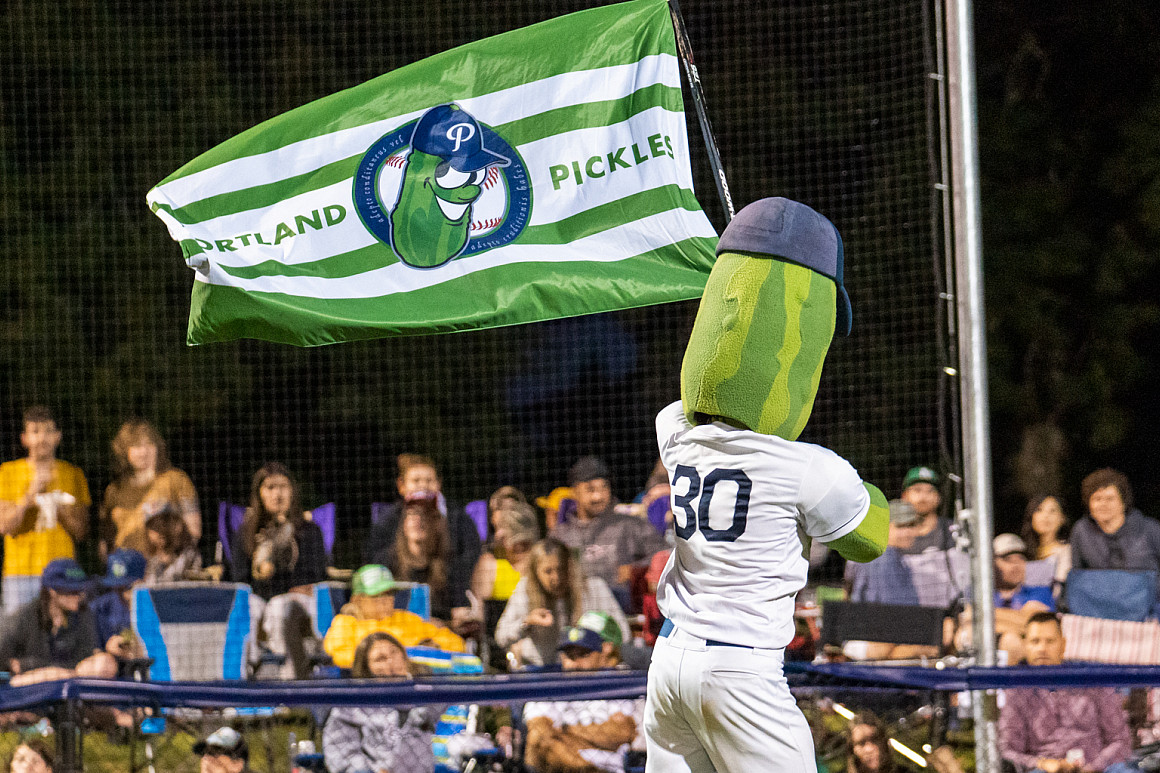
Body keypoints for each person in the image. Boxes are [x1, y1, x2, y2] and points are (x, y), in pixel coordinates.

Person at [645, 198, 889, 773]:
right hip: (740, 672)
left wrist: (740, 299)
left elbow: (689, 406)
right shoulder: (807, 468)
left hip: (670, 662)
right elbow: (870, 538)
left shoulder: (674, 431)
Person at [1000, 612, 1138, 773]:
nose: (1042, 649)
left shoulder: (1092, 680)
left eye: (1050, 641)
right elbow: (1008, 750)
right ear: (1025, 646)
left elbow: (1120, 740)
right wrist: (1042, 763)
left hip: (1098, 766)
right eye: (1035, 641)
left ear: (1063, 644)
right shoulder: (1017, 692)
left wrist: (1093, 767)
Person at [229, 463, 328, 679]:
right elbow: (240, 580)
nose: (277, 494)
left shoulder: (309, 531)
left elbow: (315, 574)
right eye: (270, 487)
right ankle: (245, 675)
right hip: (260, 596)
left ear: (292, 490)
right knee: (248, 608)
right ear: (259, 494)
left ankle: (290, 676)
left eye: (283, 486)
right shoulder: (246, 533)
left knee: (277, 607)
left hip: (297, 601)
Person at [365, 454, 481, 635]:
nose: (423, 486)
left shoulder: (459, 521)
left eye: (429, 480)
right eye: (416, 480)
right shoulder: (387, 527)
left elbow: (468, 562)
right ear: (401, 485)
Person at [524, 611, 644, 772]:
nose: (573, 664)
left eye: (582, 654)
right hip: (560, 765)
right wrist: (586, 737)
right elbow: (539, 735)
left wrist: (563, 732)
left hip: (611, 767)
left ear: (606, 649)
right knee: (542, 744)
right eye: (568, 655)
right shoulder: (552, 686)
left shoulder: (622, 682)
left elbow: (620, 732)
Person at [0, 406, 91, 614]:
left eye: (49, 431)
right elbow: (4, 526)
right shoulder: (7, 472)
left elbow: (82, 532)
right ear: (24, 438)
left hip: (63, 571)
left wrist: (57, 503)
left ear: (58, 436)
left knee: (63, 637)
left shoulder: (73, 474)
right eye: (35, 431)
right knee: (17, 638)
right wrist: (29, 496)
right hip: (20, 574)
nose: (42, 438)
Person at [552, 456, 666, 612]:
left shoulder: (630, 525)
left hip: (624, 612)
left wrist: (635, 570)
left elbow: (664, 555)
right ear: (575, 491)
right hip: (576, 611)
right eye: (590, 489)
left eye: (604, 487)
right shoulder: (561, 535)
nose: (598, 496)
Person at [495, 537, 629, 668]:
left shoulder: (594, 588)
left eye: (561, 569)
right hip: (538, 672)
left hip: (585, 672)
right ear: (535, 572)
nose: (556, 578)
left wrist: (596, 638)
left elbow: (624, 635)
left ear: (570, 567)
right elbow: (501, 637)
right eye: (548, 571)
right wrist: (526, 623)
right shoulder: (524, 591)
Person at [323, 632, 438, 773]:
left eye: (394, 652)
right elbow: (340, 752)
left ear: (403, 655)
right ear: (367, 669)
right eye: (380, 659)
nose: (391, 661)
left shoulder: (430, 694)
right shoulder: (352, 706)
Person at [322, 565, 465, 669]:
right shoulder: (346, 623)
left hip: (416, 684)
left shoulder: (407, 619)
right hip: (371, 688)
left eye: (389, 593)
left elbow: (456, 644)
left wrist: (433, 647)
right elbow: (338, 656)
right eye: (376, 594)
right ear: (356, 600)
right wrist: (382, 659)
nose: (385, 599)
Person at [0, 558, 116, 683]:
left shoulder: (84, 614)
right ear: (52, 591)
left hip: (70, 689)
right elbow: (5, 663)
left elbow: (83, 663)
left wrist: (27, 665)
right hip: (25, 692)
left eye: (80, 590)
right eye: (72, 591)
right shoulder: (25, 618)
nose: (78, 596)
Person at [98, 419, 200, 559]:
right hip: (125, 568)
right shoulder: (114, 490)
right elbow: (105, 542)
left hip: (164, 567)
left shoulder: (175, 480)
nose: (143, 452)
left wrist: (173, 561)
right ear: (124, 450)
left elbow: (194, 530)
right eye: (136, 446)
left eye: (149, 444)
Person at [955, 534, 1054, 662]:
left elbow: (1035, 626)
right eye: (1008, 560)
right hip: (983, 651)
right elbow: (965, 623)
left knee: (1010, 640)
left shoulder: (1039, 591)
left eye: (1021, 559)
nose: (1016, 565)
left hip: (1025, 658)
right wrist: (1017, 619)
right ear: (991, 563)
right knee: (966, 634)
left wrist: (980, 615)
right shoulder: (978, 592)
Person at [1068, 468, 1160, 599]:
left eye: (1110, 498)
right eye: (1097, 499)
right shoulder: (1081, 530)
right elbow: (1077, 575)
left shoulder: (1150, 528)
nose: (1103, 504)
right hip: (1102, 606)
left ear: (1123, 503)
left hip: (1149, 605)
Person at [383, 492, 460, 625]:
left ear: (435, 524)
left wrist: (444, 624)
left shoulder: (450, 567)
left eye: (424, 515)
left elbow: (456, 614)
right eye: (412, 514)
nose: (418, 520)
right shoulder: (387, 563)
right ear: (404, 524)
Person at [471, 501, 540, 605]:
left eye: (499, 528)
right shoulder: (489, 565)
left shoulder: (540, 561)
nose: (497, 535)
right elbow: (480, 609)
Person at [88, 548, 148, 658]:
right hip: (114, 671)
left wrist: (135, 652)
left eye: (129, 587)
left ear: (145, 580)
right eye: (118, 588)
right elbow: (92, 653)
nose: (124, 595)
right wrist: (108, 650)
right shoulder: (100, 608)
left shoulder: (154, 608)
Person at [1022, 494, 1072, 590]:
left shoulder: (1066, 552)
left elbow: (1060, 589)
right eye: (1039, 510)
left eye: (1052, 511)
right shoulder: (1022, 551)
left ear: (1062, 518)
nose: (1045, 516)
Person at [143, 505, 203, 583]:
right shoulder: (153, 557)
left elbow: (194, 579)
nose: (150, 535)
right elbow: (150, 581)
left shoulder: (188, 554)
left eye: (154, 530)